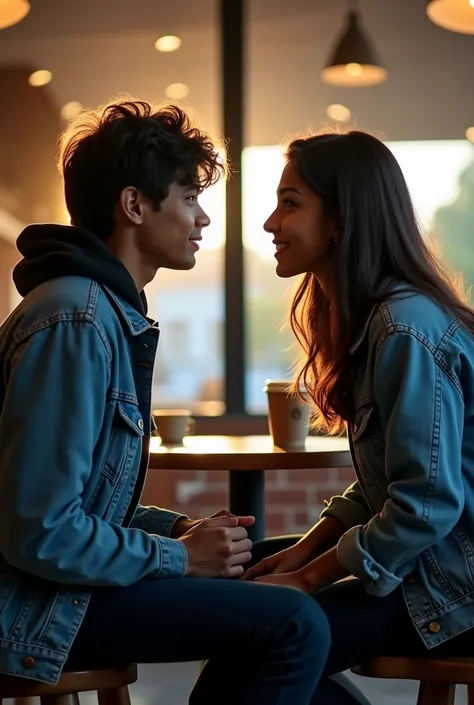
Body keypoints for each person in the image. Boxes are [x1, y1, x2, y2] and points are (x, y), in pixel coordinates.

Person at [0, 100, 333, 705]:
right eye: (188, 199)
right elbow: (39, 531)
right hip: (38, 606)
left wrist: (181, 530)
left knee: (270, 565)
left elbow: (83, 507)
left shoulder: (101, 310)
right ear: (134, 206)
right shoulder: (75, 318)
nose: (203, 219)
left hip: (65, 588)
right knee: (292, 621)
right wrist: (177, 557)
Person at [239, 128, 474, 703]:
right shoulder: (376, 320)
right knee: (249, 577)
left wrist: (307, 578)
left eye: (289, 203)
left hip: (453, 583)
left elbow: (425, 507)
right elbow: (385, 488)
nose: (270, 223)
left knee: (255, 655)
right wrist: (299, 553)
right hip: (429, 559)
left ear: (342, 219)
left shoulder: (405, 330)